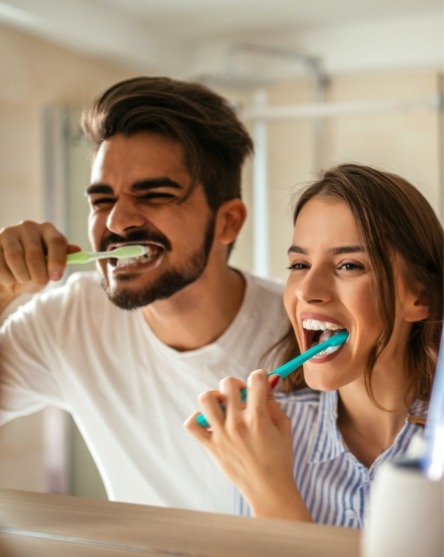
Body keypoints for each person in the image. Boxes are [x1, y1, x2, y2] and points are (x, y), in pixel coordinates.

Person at [0, 77, 289, 513]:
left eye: (154, 194)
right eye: (101, 200)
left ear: (228, 222)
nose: (117, 221)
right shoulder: (69, 318)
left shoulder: (303, 336)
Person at [185, 163, 443, 527]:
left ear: (422, 298)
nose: (307, 290)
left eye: (349, 265)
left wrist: (271, 494)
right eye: (300, 264)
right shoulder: (262, 438)